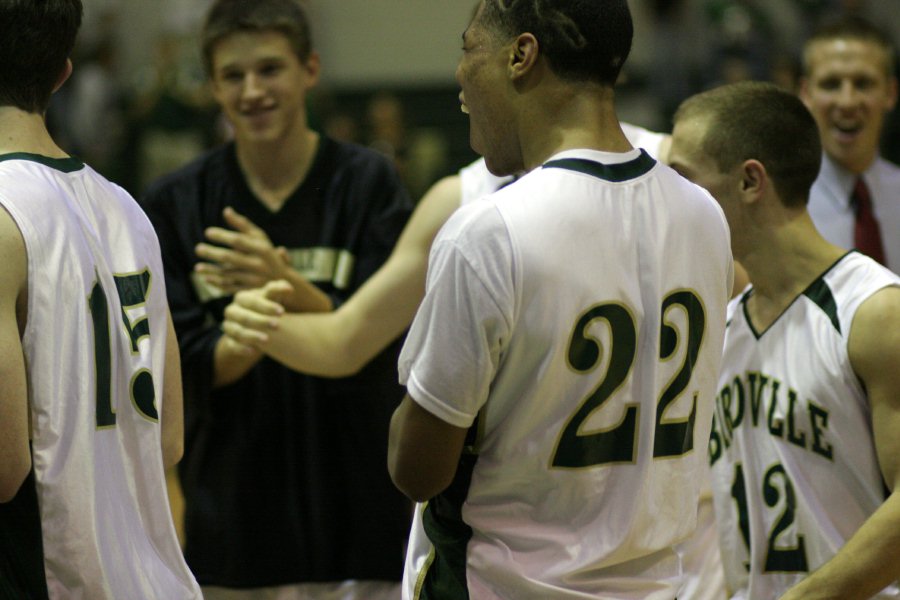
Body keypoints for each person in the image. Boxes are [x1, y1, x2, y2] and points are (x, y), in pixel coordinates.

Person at [384, 1, 734, 597]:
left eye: (468, 49)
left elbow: (417, 469)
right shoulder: (705, 215)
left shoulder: (490, 230)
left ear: (521, 55)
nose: (461, 77)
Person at [138, 0, 414, 598]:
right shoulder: (175, 203)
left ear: (309, 69)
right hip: (233, 533)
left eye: (271, 69)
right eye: (233, 76)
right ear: (212, 85)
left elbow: (393, 341)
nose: (253, 91)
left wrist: (279, 288)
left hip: (360, 526)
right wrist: (244, 335)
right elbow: (177, 366)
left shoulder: (369, 183)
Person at [667, 80, 900, 599]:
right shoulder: (721, 330)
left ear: (751, 181)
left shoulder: (874, 311)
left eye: (681, 179)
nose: (667, 200)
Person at [0, 0, 201, 598]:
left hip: (52, 578)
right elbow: (169, 439)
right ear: (63, 72)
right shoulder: (129, 209)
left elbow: (6, 465)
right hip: (148, 578)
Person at [801, 16, 900, 272]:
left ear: (890, 93)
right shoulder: (778, 209)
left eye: (863, 83)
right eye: (831, 84)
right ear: (806, 93)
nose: (847, 102)